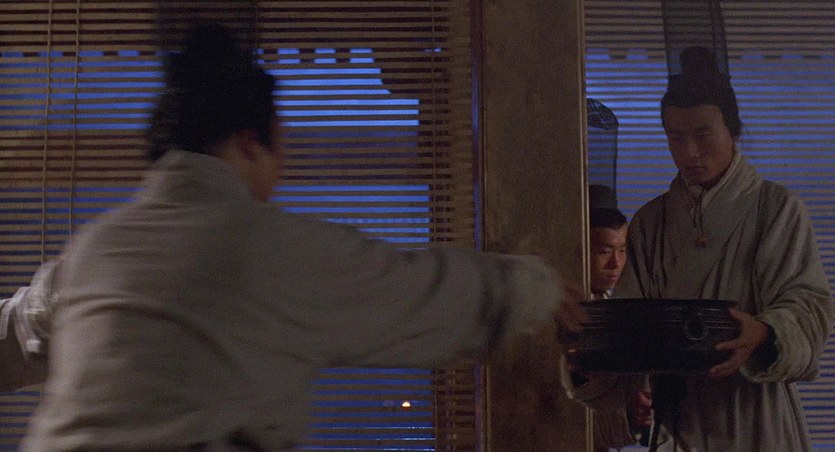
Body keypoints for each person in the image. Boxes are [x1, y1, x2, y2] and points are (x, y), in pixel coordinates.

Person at [18, 23, 585, 451]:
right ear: (250, 142)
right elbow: (421, 290)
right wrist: (535, 286)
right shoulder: (267, 246)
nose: (279, 176)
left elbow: (17, 327)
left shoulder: (92, 250)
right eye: (280, 152)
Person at [578, 46, 833, 451]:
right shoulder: (650, 222)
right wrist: (591, 356)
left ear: (733, 130)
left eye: (703, 135)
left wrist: (765, 333)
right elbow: (629, 329)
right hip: (678, 419)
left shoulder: (775, 209)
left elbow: (810, 305)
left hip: (755, 415)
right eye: (676, 138)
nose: (689, 152)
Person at [583, 185, 652, 451]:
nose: (616, 263)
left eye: (622, 250)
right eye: (604, 251)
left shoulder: (615, 304)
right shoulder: (564, 311)